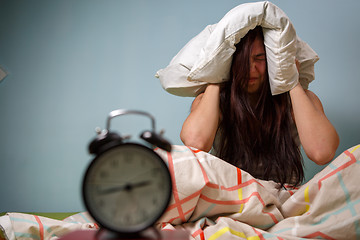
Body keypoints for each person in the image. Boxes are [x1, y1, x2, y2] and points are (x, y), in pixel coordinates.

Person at [180, 26, 339, 187]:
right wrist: (215, 77)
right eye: (242, 61)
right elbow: (195, 144)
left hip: (284, 198)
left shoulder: (301, 100)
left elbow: (322, 153)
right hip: (231, 197)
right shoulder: (211, 101)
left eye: (260, 58)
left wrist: (292, 82)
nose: (251, 68)